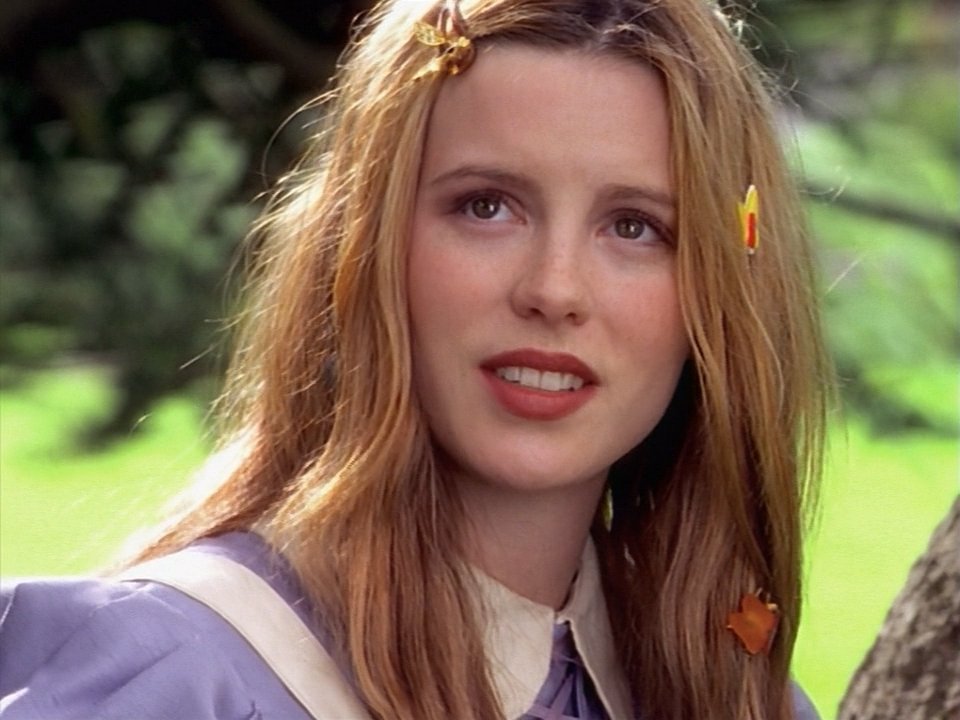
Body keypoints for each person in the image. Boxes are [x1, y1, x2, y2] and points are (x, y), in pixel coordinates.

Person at [0, 0, 831, 718]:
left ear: (720, 288)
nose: (555, 289)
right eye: (486, 206)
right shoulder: (181, 678)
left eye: (636, 226)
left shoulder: (728, 694)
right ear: (362, 247)